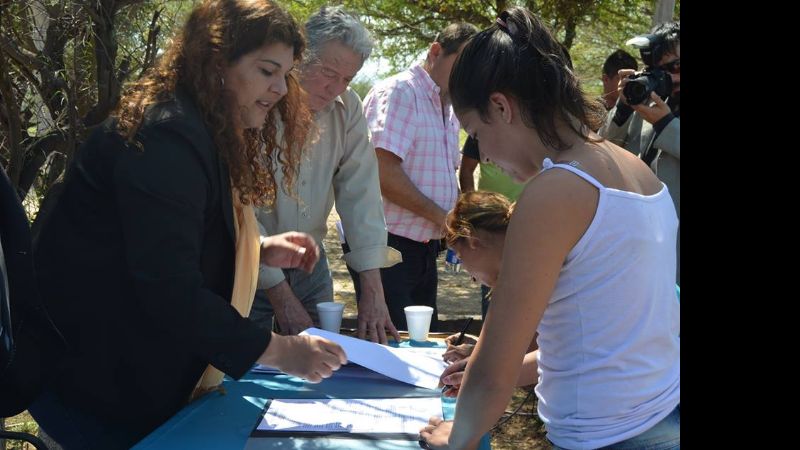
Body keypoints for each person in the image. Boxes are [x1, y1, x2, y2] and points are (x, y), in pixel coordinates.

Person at [29, 1, 347, 448]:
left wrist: (255, 251)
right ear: (217, 62)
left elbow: (165, 242)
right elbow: (166, 285)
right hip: (96, 381)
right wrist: (279, 350)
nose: (279, 89)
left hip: (130, 371)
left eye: (286, 75)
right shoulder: (166, 135)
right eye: (266, 70)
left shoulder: (200, 126)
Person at [419, 7, 679, 450]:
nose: (482, 155)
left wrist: (458, 436)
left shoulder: (554, 190)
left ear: (500, 107)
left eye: (475, 132)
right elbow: (597, 340)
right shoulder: (638, 170)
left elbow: (495, 367)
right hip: (661, 416)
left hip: (605, 437)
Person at [249, 6, 402, 344]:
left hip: (310, 262)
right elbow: (239, 209)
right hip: (247, 260)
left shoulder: (349, 108)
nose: (336, 88)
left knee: (320, 368)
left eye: (347, 79)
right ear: (300, 57)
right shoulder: (255, 100)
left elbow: (360, 195)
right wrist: (279, 293)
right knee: (246, 372)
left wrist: (372, 288)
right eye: (328, 73)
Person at [363, 22, 478, 332]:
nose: (470, 74)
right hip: (388, 250)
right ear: (436, 51)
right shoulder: (401, 91)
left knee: (419, 342)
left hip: (424, 249)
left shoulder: (448, 107)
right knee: (395, 349)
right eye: (464, 63)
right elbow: (381, 171)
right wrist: (444, 217)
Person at [600, 22, 680, 284]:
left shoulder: (661, 115)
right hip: (636, 252)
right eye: (657, 70)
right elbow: (602, 149)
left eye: (675, 67)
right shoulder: (649, 103)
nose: (668, 78)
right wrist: (622, 110)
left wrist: (667, 125)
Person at [458, 136, 524, 319]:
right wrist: (473, 210)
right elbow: (466, 171)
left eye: (460, 256)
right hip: (488, 221)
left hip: (523, 221)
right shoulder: (479, 132)